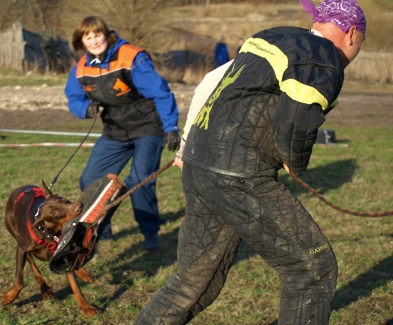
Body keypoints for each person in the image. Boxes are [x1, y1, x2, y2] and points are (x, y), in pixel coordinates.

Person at [135, 0, 366, 323]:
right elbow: (296, 122)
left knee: (193, 281)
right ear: (352, 33)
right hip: (240, 176)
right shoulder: (322, 56)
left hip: (199, 167)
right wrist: (295, 162)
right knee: (311, 268)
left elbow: (212, 85)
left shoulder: (274, 37)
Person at [65, 16, 180, 251]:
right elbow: (74, 97)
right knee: (90, 180)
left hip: (148, 126)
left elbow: (161, 92)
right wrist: (85, 109)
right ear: (82, 42)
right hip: (115, 130)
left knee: (139, 181)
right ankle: (101, 227)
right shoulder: (81, 69)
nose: (95, 41)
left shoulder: (131, 57)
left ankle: (150, 232)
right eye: (89, 37)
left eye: (98, 34)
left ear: (106, 35)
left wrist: (170, 127)